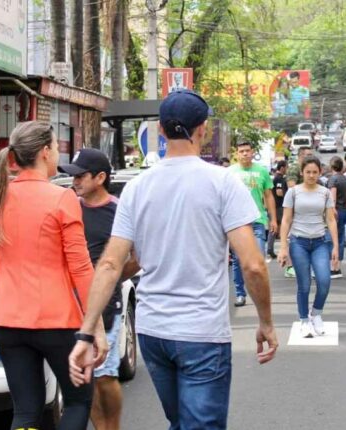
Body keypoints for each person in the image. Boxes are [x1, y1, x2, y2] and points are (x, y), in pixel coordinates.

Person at [69, 90, 278, 429]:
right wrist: (266, 322)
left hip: (154, 332)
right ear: (203, 130)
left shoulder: (137, 187)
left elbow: (109, 265)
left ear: (161, 131)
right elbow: (253, 264)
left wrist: (87, 330)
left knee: (181, 420)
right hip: (202, 332)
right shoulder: (223, 182)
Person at [0, 121, 97, 429]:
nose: (59, 151)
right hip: (56, 320)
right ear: (45, 152)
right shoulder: (61, 199)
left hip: (7, 322)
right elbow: (81, 268)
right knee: (77, 401)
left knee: (26, 411)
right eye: (57, 146)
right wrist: (94, 325)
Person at [59, 149, 141, 430]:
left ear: (101, 177)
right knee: (86, 376)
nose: (74, 181)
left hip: (107, 306)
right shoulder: (68, 206)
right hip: (70, 304)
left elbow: (137, 259)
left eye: (80, 176)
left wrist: (110, 280)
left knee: (106, 376)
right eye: (73, 176)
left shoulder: (119, 210)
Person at [278, 156, 339, 337]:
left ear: (320, 172)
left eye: (314, 172)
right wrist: (283, 247)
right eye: (308, 172)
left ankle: (316, 314)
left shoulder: (325, 193)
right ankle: (304, 320)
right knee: (303, 284)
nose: (311, 175)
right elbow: (286, 220)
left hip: (320, 241)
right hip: (298, 242)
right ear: (302, 173)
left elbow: (330, 220)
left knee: (324, 281)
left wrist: (335, 246)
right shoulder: (293, 192)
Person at [229, 142, 278, 307]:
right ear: (237, 153)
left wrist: (273, 219)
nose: (244, 154)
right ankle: (240, 293)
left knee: (258, 259)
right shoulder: (230, 172)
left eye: (247, 151)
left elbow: (269, 196)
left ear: (252, 152)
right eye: (241, 151)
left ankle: (261, 294)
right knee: (237, 260)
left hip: (257, 221)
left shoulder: (261, 171)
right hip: (237, 223)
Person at [284, 146, 315, 277]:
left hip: (309, 209)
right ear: (301, 156)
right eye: (308, 155)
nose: (311, 157)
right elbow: (291, 186)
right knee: (292, 236)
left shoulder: (310, 170)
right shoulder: (294, 168)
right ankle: (290, 266)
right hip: (295, 208)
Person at [327, 156, 346, 278]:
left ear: (331, 166)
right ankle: (338, 267)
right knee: (340, 239)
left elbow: (332, 197)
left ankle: (332, 267)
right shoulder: (345, 180)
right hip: (344, 211)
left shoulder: (333, 180)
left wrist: (332, 209)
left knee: (331, 239)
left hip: (335, 211)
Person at [267, 160, 288, 259]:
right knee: (276, 227)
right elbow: (279, 192)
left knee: (276, 227)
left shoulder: (276, 178)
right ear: (282, 168)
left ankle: (270, 248)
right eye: (286, 167)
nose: (287, 170)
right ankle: (270, 249)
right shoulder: (279, 179)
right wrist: (288, 197)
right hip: (278, 206)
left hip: (276, 206)